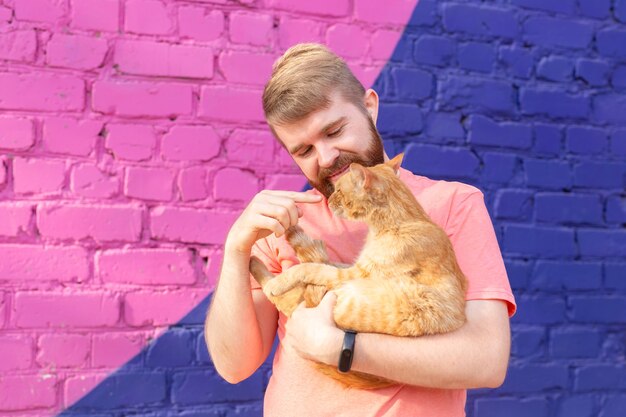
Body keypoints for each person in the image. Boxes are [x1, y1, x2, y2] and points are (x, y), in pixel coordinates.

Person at [205, 43, 517, 417]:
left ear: (369, 107)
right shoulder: (284, 224)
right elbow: (233, 365)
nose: (326, 157)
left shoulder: (453, 204)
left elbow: (486, 360)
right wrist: (236, 250)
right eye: (304, 151)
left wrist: (339, 346)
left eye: (334, 130)